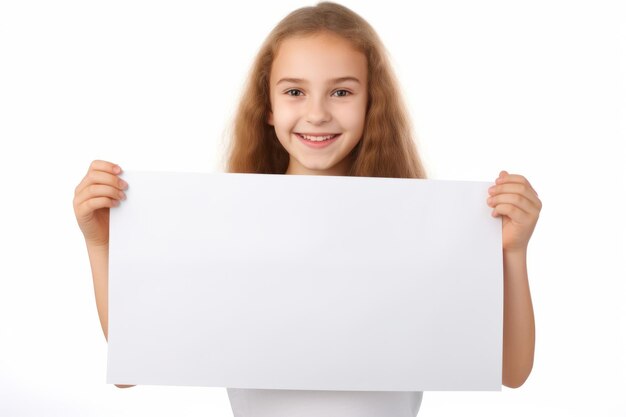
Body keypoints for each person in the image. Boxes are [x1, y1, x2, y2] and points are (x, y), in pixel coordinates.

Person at [73, 2, 541, 416]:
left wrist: (512, 254)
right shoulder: (224, 225)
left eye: (341, 91)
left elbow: (511, 370)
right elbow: (133, 365)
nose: (317, 113)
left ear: (371, 103)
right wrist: (100, 244)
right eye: (294, 91)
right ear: (269, 107)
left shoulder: (423, 227)